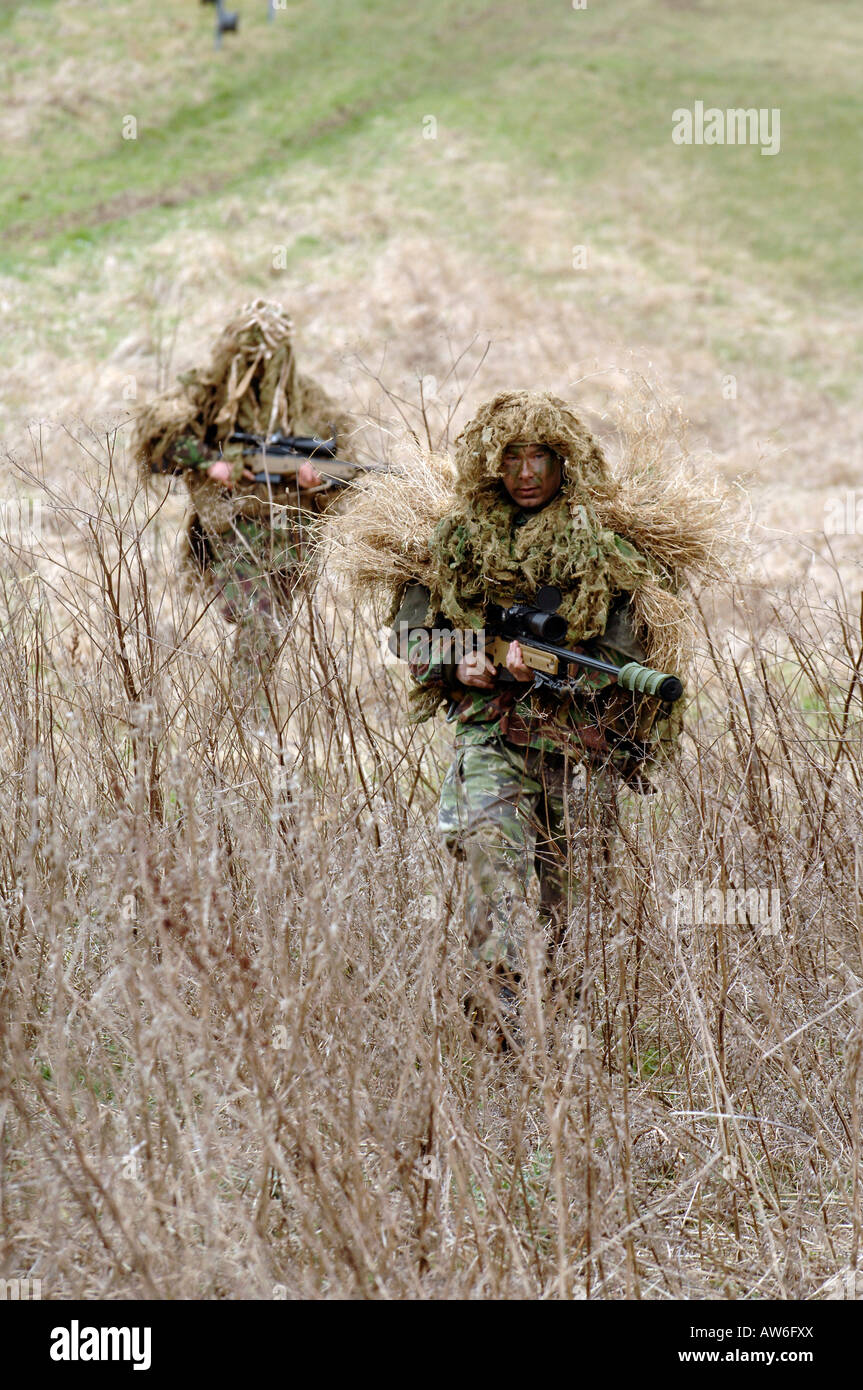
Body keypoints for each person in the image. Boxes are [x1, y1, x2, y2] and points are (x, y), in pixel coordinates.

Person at [393, 391, 679, 1046]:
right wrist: (464, 656)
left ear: (565, 463)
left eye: (539, 458)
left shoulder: (602, 553)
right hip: (493, 738)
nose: (526, 473)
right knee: (492, 872)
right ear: (492, 465)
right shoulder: (455, 544)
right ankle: (499, 1031)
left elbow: (623, 657)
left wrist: (556, 669)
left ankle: (568, 1031)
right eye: (512, 458)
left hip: (579, 750)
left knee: (571, 899)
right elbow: (409, 640)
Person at [133, 301, 348, 729]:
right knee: (259, 621)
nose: (259, 369)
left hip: (290, 538)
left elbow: (343, 465)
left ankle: (246, 721)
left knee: (270, 624)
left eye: (269, 358)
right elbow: (159, 434)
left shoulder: (306, 402)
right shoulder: (209, 394)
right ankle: (249, 726)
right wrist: (211, 462)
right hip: (230, 529)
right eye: (248, 357)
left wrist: (315, 480)